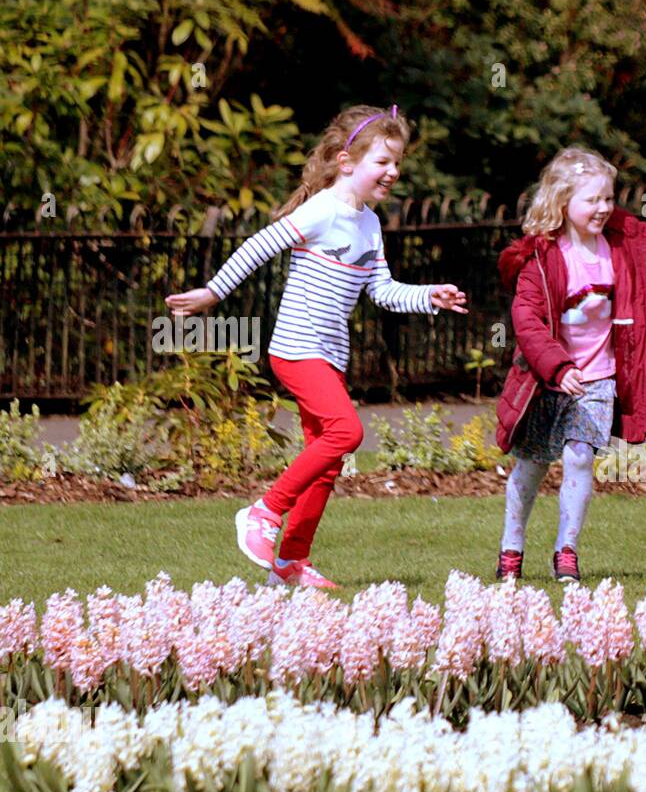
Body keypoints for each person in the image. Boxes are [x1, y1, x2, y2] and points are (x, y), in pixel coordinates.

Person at [165, 105, 467, 589]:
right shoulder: (322, 209)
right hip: (297, 348)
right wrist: (213, 292)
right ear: (347, 162)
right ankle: (263, 512)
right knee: (346, 433)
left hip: (330, 356)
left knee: (325, 463)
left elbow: (382, 291)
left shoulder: (369, 225)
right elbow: (259, 246)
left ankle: (289, 564)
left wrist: (428, 296)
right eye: (382, 162)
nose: (392, 173)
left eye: (397, 164)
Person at [494, 146, 646, 583]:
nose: (604, 208)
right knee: (531, 466)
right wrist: (558, 367)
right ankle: (511, 549)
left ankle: (566, 551)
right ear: (562, 202)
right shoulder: (543, 257)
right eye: (593, 200)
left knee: (580, 457)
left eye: (609, 197)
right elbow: (526, 321)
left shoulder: (619, 249)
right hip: (547, 381)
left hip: (598, 377)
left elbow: (640, 307)